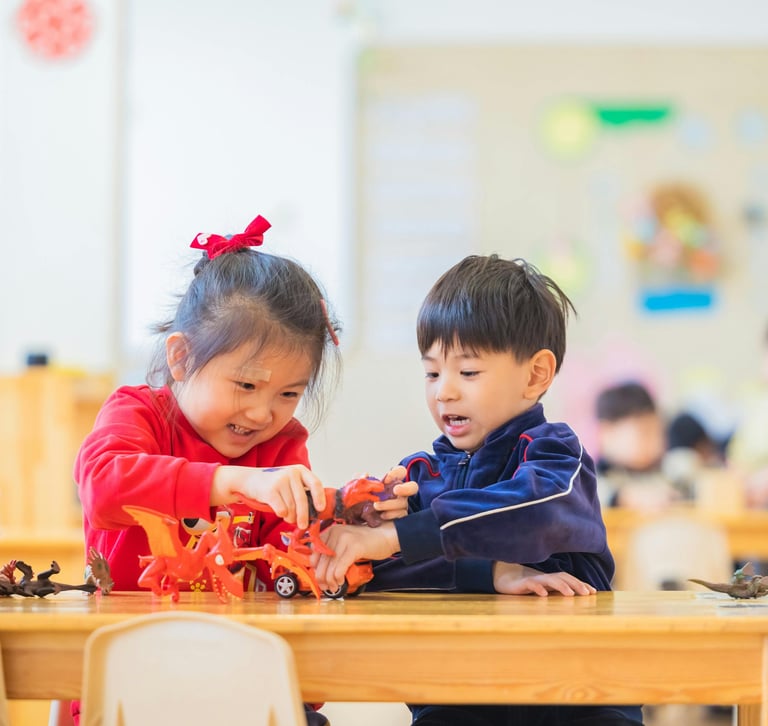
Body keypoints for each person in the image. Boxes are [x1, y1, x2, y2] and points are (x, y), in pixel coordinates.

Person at [72, 215, 413, 726]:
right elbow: (103, 486)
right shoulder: (137, 413)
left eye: (289, 394)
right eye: (246, 386)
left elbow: (286, 563)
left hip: (241, 685)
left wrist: (340, 528)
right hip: (134, 683)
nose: (262, 413)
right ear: (182, 359)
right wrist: (232, 482)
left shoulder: (283, 445)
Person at [311, 254, 644, 726]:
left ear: (535, 375)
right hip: (455, 695)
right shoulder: (416, 475)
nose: (444, 391)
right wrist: (486, 572)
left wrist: (400, 538)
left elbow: (534, 513)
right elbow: (384, 580)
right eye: (431, 373)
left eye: (467, 373)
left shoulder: (556, 457)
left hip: (576, 694)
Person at [593, 381, 680, 512]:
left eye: (658, 431)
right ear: (607, 432)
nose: (654, 441)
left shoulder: (668, 471)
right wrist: (624, 497)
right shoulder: (594, 476)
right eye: (645, 432)